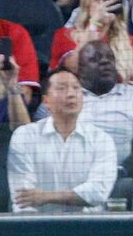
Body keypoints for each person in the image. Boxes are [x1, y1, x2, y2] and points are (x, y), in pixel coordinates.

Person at [10, 62, 120, 210]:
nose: (71, 94)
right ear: (46, 101)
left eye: (76, 88)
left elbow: (98, 192)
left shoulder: (101, 139)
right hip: (38, 228)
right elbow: (23, 200)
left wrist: (46, 197)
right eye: (61, 88)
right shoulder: (25, 137)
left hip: (89, 229)